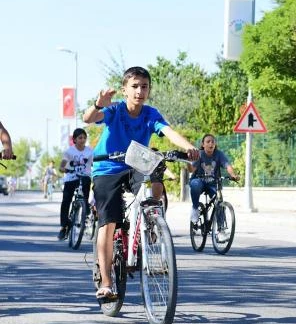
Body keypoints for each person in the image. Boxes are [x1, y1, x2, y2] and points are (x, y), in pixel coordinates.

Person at [83, 66, 199, 299]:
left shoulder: (150, 114)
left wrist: (188, 147)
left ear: (149, 90)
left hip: (137, 164)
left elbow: (168, 131)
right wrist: (99, 104)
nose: (139, 91)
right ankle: (106, 283)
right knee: (109, 222)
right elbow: (89, 119)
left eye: (144, 86)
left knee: (157, 176)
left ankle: (151, 222)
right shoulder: (114, 109)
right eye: (134, 86)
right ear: (125, 89)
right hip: (108, 167)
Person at [187, 134, 238, 223]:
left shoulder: (219, 154)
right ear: (203, 144)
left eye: (213, 142)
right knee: (195, 184)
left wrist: (233, 175)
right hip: (199, 182)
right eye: (208, 141)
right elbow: (191, 170)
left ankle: (221, 227)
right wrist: (188, 161)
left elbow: (227, 166)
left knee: (219, 203)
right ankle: (195, 208)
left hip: (213, 184)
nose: (211, 143)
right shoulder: (199, 154)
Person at [58, 128, 94, 240]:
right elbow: (62, 166)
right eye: (80, 138)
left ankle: (86, 209)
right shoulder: (69, 152)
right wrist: (65, 169)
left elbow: (95, 163)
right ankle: (64, 226)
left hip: (84, 177)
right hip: (71, 178)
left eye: (84, 137)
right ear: (74, 139)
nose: (82, 140)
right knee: (66, 201)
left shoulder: (90, 151)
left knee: (86, 183)